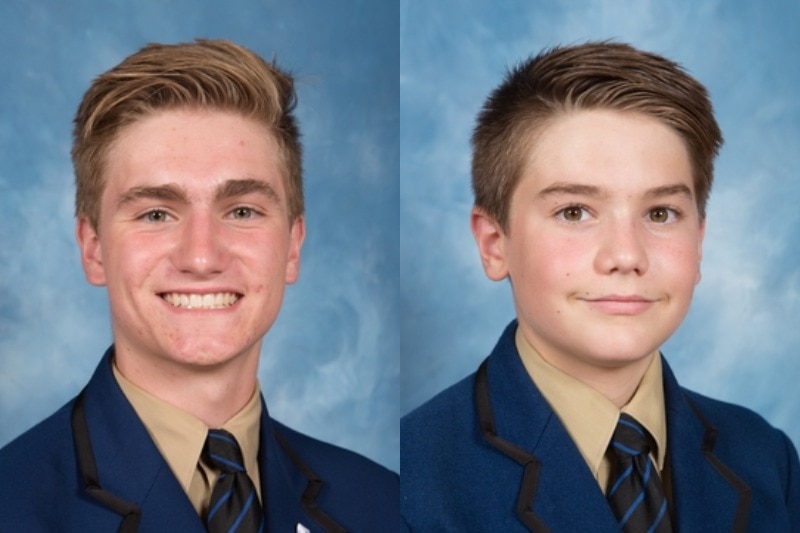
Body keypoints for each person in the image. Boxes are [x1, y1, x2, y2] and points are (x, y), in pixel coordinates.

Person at [0, 39, 397, 533]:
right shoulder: (11, 506)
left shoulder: (382, 505)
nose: (202, 257)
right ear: (93, 248)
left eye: (242, 211)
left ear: (292, 247)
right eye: (157, 213)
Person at [401, 42, 800, 532]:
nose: (626, 256)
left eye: (660, 213)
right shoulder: (411, 481)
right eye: (574, 212)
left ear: (698, 240)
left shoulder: (765, 457)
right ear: (494, 244)